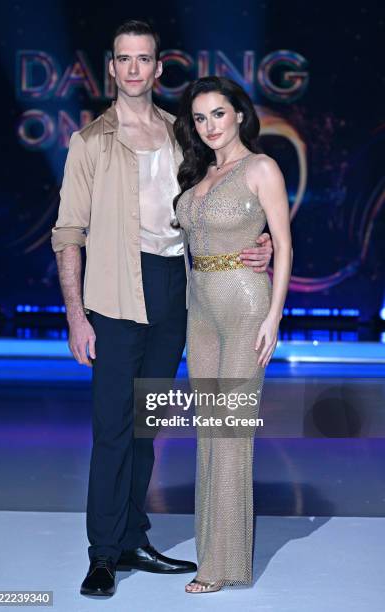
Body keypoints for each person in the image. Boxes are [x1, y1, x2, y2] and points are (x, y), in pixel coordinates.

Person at [51, 21, 273, 598]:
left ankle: (132, 539)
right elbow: (68, 231)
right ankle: (103, 554)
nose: (132, 69)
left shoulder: (185, 137)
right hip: (116, 290)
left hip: (177, 287)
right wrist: (76, 314)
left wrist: (261, 240)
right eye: (122, 58)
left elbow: (219, 203)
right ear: (112, 68)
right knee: (113, 429)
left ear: (156, 68)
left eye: (142, 59)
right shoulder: (89, 142)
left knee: (148, 425)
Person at [174, 76, 292, 593]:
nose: (209, 126)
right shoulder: (199, 172)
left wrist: (274, 317)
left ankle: (221, 566)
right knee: (209, 431)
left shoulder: (261, 167)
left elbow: (283, 246)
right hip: (198, 309)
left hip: (246, 305)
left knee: (230, 431)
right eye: (200, 118)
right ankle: (213, 552)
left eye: (218, 114)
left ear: (239, 114)